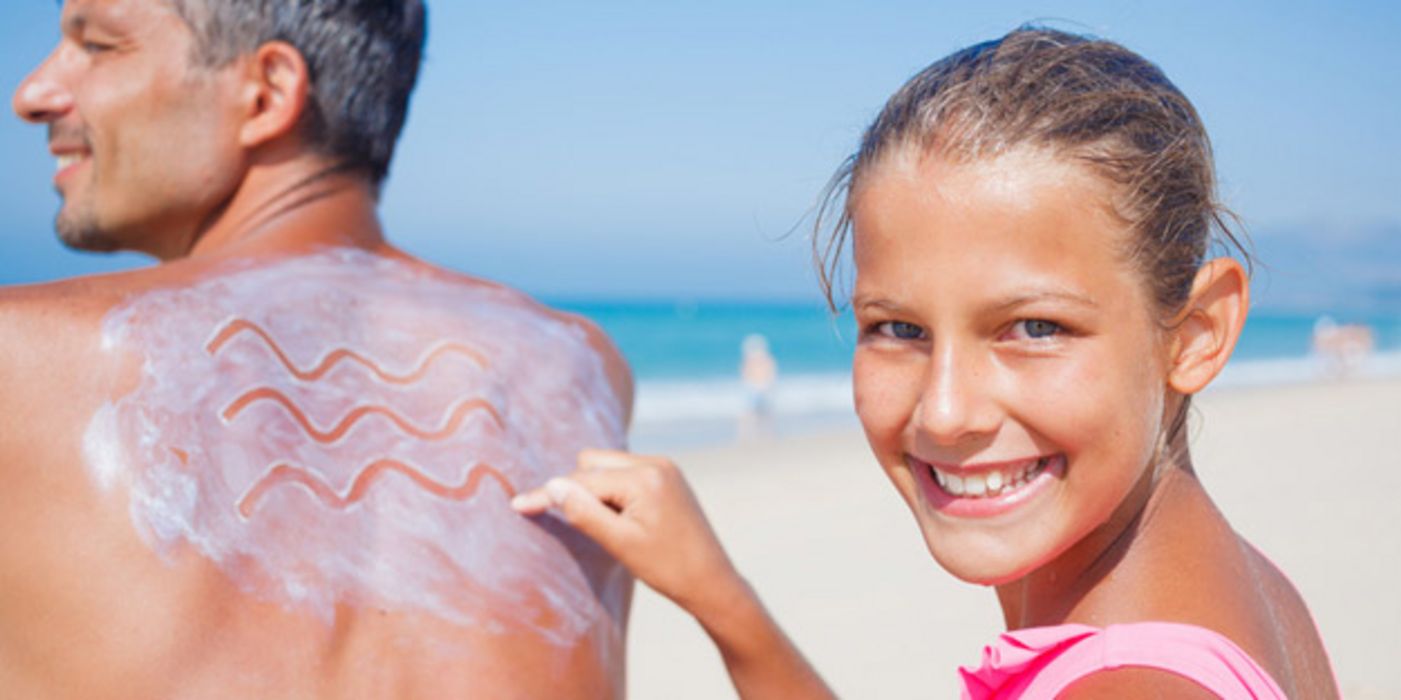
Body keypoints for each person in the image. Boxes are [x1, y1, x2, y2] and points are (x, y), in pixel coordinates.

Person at [514, 28, 1342, 699]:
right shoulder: (1240, 594)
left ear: (1194, 332)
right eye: (899, 329)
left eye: (1034, 327)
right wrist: (720, 597)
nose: (945, 412)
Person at [2, 1, 633, 697]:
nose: (31, 94)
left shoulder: (17, 360)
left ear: (266, 92)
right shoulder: (575, 366)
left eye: (97, 45)